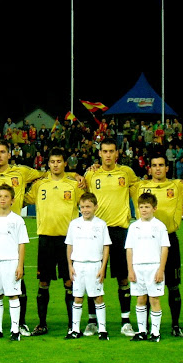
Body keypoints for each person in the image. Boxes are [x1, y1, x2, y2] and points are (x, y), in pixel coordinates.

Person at [0, 140, 83, 337]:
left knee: (68, 281)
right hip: (0, 232)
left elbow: (86, 199)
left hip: (65, 241)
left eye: (3, 152)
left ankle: (67, 325)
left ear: (9, 154)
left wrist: (75, 175)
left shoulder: (26, 173)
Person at [130, 155, 183, 336]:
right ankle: (148, 328)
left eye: (161, 165)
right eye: (154, 165)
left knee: (173, 285)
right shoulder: (139, 187)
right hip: (145, 242)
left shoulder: (178, 187)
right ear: (149, 168)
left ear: (167, 168)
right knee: (147, 286)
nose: (157, 168)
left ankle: (175, 325)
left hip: (169, 238)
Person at [25, 148, 84, 336]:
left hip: (68, 242)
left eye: (59, 161)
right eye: (52, 162)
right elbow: (21, 200)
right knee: (43, 282)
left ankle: (72, 325)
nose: (56, 165)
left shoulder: (74, 185)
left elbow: (87, 204)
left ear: (65, 163)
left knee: (70, 282)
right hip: (45, 239)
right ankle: (42, 324)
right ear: (48, 164)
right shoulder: (39, 185)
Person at [84, 138, 140, 336]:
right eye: (104, 151)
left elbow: (140, 189)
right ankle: (92, 321)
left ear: (117, 153)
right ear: (99, 153)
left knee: (123, 277)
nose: (108, 154)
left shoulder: (126, 173)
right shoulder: (91, 174)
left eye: (111, 151)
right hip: (96, 231)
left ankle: (126, 321)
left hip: (119, 231)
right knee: (93, 275)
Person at [0, 184, 29, 341]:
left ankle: (15, 330)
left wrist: (20, 265)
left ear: (12, 200)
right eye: (0, 196)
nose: (3, 199)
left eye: (6, 196)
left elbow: (21, 244)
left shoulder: (17, 220)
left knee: (13, 295)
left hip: (11, 262)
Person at [64, 192, 112, 340]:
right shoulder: (74, 224)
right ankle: (75, 329)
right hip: (78, 266)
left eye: (88, 207)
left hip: (94, 265)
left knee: (98, 297)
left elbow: (106, 247)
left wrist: (103, 267)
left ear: (95, 207)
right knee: (77, 298)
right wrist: (70, 266)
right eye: (82, 207)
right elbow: (69, 246)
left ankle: (102, 330)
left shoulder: (101, 224)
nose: (85, 210)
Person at [125, 193, 170, 342]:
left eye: (147, 207)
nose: (144, 210)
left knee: (154, 299)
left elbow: (164, 249)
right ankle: (142, 331)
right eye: (141, 207)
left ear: (154, 208)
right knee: (140, 299)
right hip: (138, 268)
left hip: (154, 267)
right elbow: (129, 249)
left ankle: (155, 333)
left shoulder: (160, 226)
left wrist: (161, 270)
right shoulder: (133, 227)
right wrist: (130, 270)